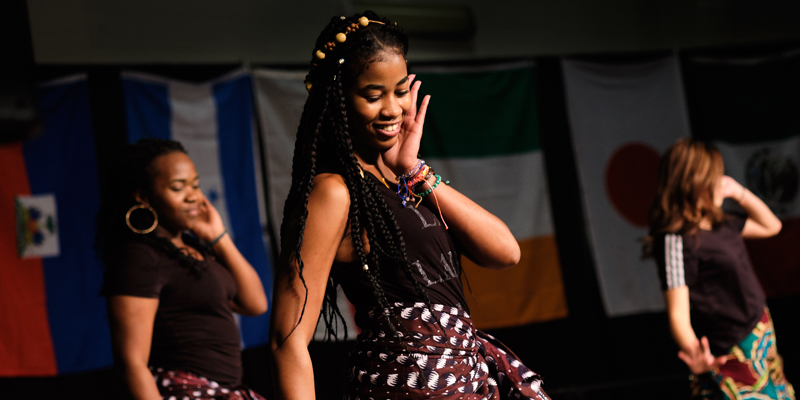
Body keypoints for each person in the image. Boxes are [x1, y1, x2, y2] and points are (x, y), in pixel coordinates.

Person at [268, 10, 549, 400]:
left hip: (463, 381)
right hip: (405, 385)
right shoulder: (334, 191)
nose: (392, 109)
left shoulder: (405, 181)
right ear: (337, 99)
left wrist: (414, 170)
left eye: (400, 91)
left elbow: (505, 251)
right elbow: (288, 338)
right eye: (373, 95)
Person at [97, 138, 268, 400]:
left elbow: (255, 304)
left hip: (223, 392)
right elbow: (131, 362)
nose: (193, 196)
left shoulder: (193, 248)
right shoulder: (140, 257)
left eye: (196, 185)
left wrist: (217, 236)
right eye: (178, 188)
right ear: (143, 196)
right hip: (185, 392)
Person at [648, 138, 794, 400]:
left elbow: (772, 226)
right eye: (715, 177)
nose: (721, 182)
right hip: (730, 350)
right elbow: (678, 315)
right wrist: (696, 355)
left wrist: (739, 192)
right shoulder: (677, 239)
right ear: (696, 182)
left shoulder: (722, 223)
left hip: (760, 335)